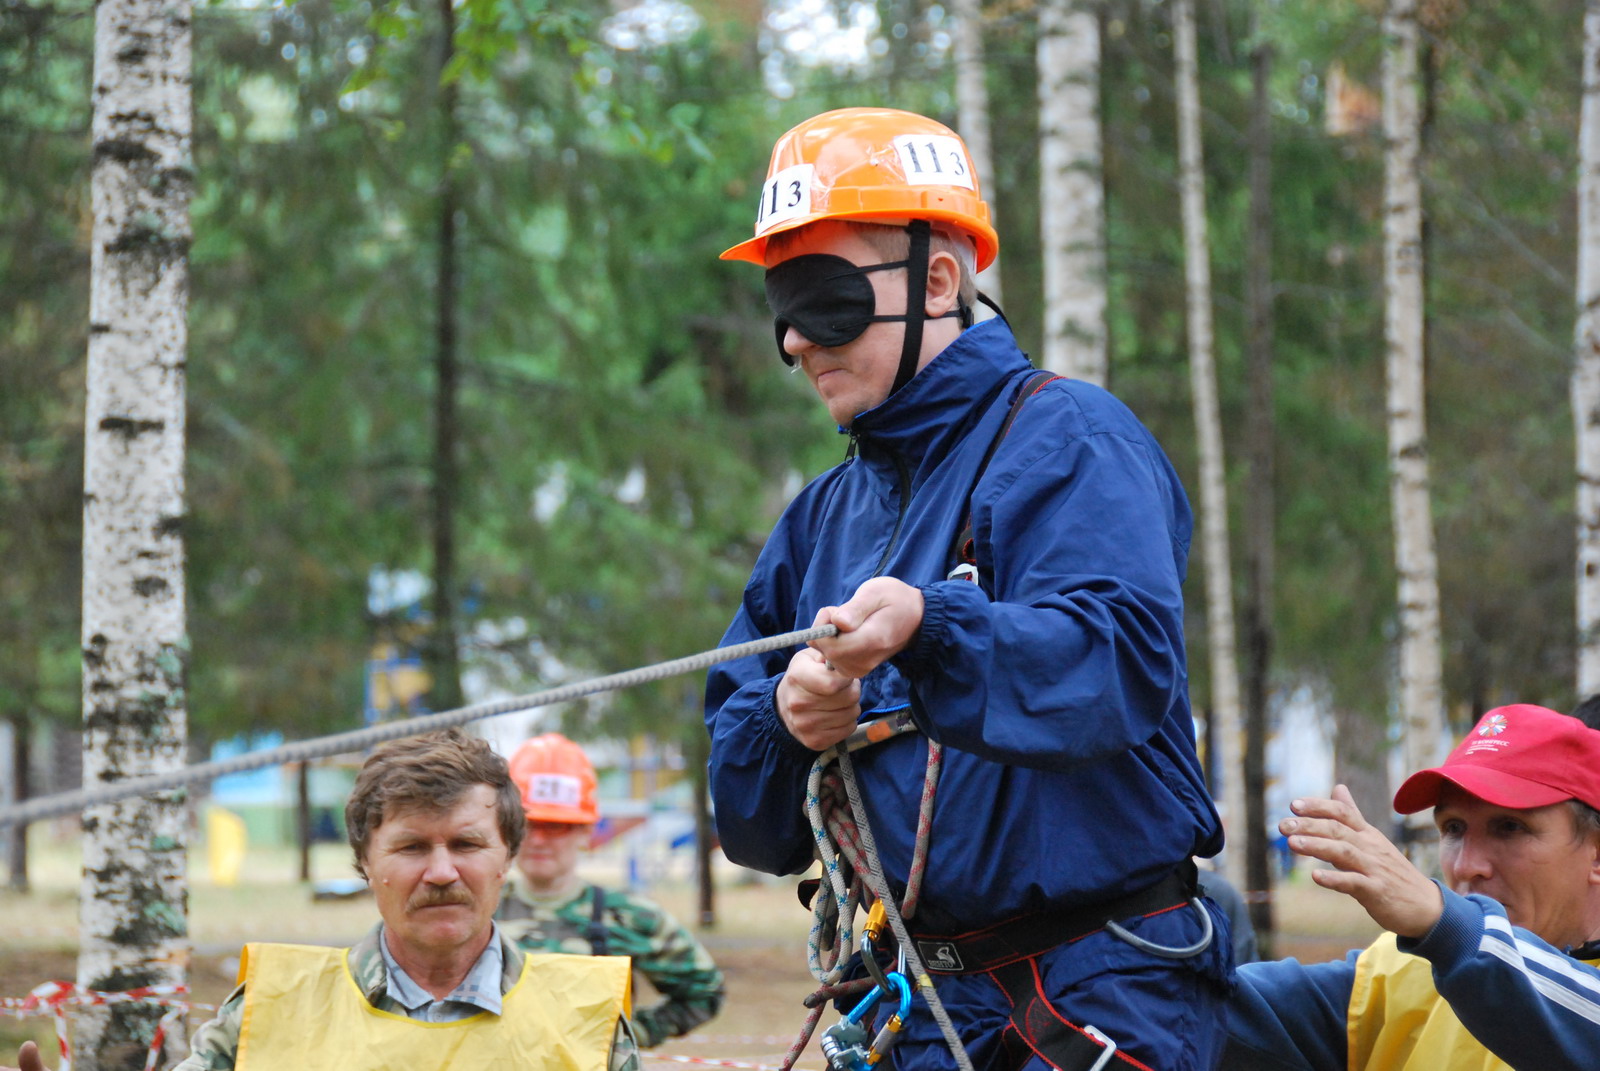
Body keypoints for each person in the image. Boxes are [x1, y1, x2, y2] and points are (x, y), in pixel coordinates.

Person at [704, 107, 1233, 1071]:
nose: (793, 341)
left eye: (824, 299)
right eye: (780, 305)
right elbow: (749, 821)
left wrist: (929, 623)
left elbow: (1115, 664)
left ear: (938, 281)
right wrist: (786, 718)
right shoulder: (817, 522)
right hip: (912, 1012)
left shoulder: (1072, 440)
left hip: (1096, 989)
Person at [0, 730, 639, 1071]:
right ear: (365, 864)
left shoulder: (587, 1020)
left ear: (508, 857)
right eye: (413, 847)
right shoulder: (268, 1011)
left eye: (467, 844)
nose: (442, 871)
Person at [1221, 703, 1600, 1070]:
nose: (1467, 865)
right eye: (1453, 828)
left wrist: (1448, 925)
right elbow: (1207, 1010)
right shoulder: (1407, 968)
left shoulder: (1450, 941)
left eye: (1509, 828)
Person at [494, 732, 725, 1046]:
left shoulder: (628, 916)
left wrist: (627, 1038)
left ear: (586, 831)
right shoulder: (478, 909)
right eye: (527, 823)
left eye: (556, 825)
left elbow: (704, 991)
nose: (538, 839)